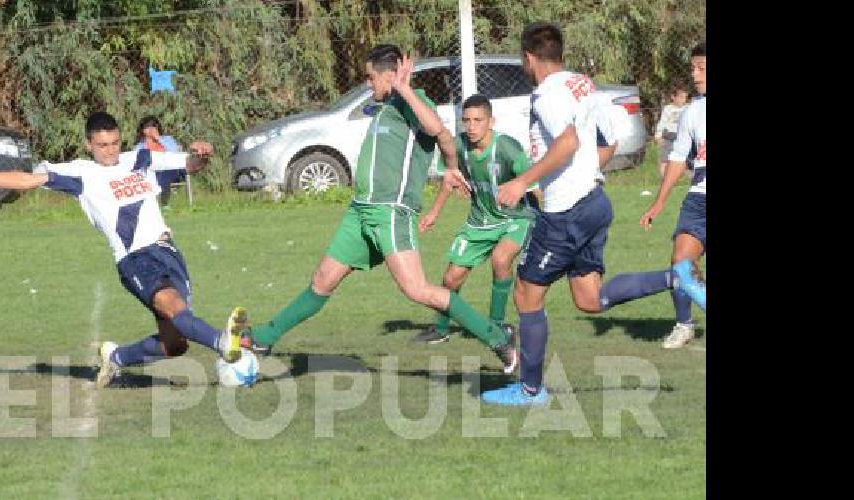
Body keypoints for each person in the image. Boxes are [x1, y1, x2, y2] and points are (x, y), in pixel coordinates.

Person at [239, 44, 520, 373]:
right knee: (322, 280)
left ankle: (497, 336)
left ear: (391, 75)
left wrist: (406, 92)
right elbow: (443, 144)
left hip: (390, 212)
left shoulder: (413, 103)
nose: (368, 83)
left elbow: (438, 130)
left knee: (416, 289)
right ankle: (264, 337)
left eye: (371, 77)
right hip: (360, 211)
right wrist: (451, 166)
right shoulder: (386, 107)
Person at [477, 23, 705, 406]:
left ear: (529, 59)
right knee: (589, 298)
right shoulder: (581, 84)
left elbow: (567, 143)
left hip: (565, 211)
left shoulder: (547, 95)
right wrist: (584, 172)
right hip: (594, 202)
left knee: (526, 294)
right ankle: (675, 275)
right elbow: (609, 138)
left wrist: (523, 182)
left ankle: (531, 389)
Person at [0, 111, 244, 389]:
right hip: (135, 259)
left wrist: (202, 153)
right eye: (102, 145)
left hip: (169, 252)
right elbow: (28, 180)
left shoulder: (141, 158)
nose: (110, 151)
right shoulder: (80, 172)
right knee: (172, 306)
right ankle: (222, 341)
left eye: (115, 143)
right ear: (89, 144)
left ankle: (115, 358)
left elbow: (190, 165)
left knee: (175, 345)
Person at [412, 94, 538, 345]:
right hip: (480, 220)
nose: (471, 126)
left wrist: (553, 218)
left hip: (516, 218)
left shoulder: (507, 147)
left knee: (501, 260)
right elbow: (451, 179)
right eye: (466, 120)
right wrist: (434, 212)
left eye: (478, 120)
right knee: (451, 278)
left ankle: (497, 326)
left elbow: (534, 184)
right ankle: (441, 328)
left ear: (491, 122)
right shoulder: (459, 146)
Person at [639, 42, 707, 349]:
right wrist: (659, 202)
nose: (694, 74)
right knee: (680, 263)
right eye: (693, 67)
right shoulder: (692, 112)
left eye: (701, 68)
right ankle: (684, 324)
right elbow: (679, 159)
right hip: (698, 199)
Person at [134, 115, 212, 205]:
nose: (151, 129)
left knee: (163, 174)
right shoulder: (139, 147)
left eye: (153, 126)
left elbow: (175, 153)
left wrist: (159, 139)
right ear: (143, 131)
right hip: (152, 172)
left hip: (174, 169)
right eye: (147, 127)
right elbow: (139, 164)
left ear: (157, 127)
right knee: (155, 175)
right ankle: (157, 203)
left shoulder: (167, 139)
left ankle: (163, 203)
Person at [654, 83, 691, 178]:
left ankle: (680, 177)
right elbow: (662, 122)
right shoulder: (668, 109)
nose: (684, 100)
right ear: (673, 97)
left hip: (683, 137)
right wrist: (658, 136)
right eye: (681, 97)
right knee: (665, 160)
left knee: (683, 159)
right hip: (669, 137)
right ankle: (664, 179)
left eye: (685, 97)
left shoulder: (688, 108)